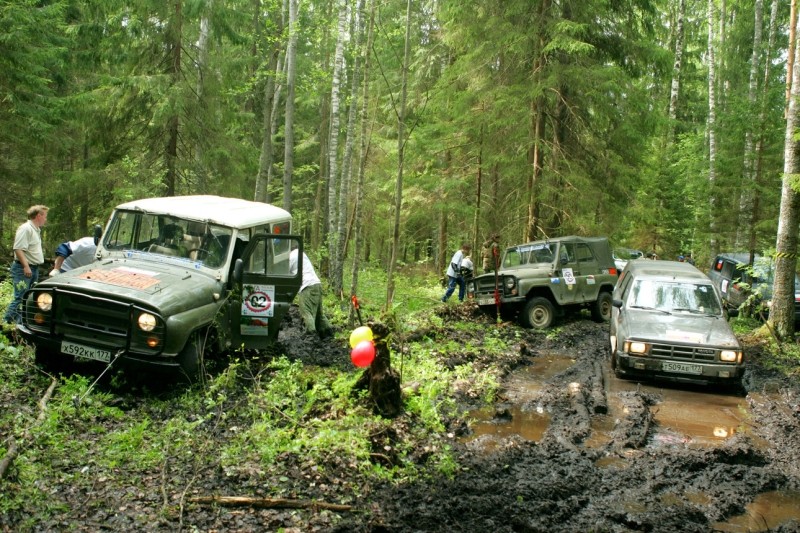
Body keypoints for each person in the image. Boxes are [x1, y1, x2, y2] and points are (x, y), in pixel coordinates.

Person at [4, 205, 48, 325]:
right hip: (23, 268)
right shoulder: (26, 228)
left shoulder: (36, 230)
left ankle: (19, 323)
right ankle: (6, 323)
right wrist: (26, 266)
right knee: (20, 297)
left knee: (28, 298)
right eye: (45, 216)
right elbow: (18, 249)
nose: (46, 219)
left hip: (34, 268)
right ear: (38, 216)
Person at [289, 246, 333, 338]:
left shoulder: (291, 256)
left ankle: (311, 336)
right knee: (319, 314)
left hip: (307, 286)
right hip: (316, 284)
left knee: (306, 311)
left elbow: (284, 273)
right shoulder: (301, 253)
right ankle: (328, 333)